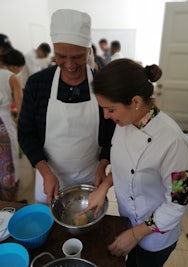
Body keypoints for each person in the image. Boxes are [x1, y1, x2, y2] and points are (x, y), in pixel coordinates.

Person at [82, 59, 188, 267]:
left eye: (110, 109)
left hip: (155, 235)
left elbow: (178, 203)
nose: (106, 116)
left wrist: (135, 234)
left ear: (135, 101)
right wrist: (104, 187)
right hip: (128, 220)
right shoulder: (126, 121)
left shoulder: (174, 144)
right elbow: (125, 165)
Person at [18, 9, 115, 204]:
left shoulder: (103, 84)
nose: (69, 64)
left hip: (90, 177)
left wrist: (103, 164)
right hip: (49, 177)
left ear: (89, 51)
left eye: (78, 56)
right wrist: (45, 172)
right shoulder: (37, 84)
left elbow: (113, 133)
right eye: (61, 56)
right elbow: (26, 133)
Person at [0, 49, 25, 201]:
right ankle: (11, 201)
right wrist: (19, 120)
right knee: (9, 162)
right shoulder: (11, 77)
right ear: (14, 66)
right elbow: (21, 105)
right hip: (4, 124)